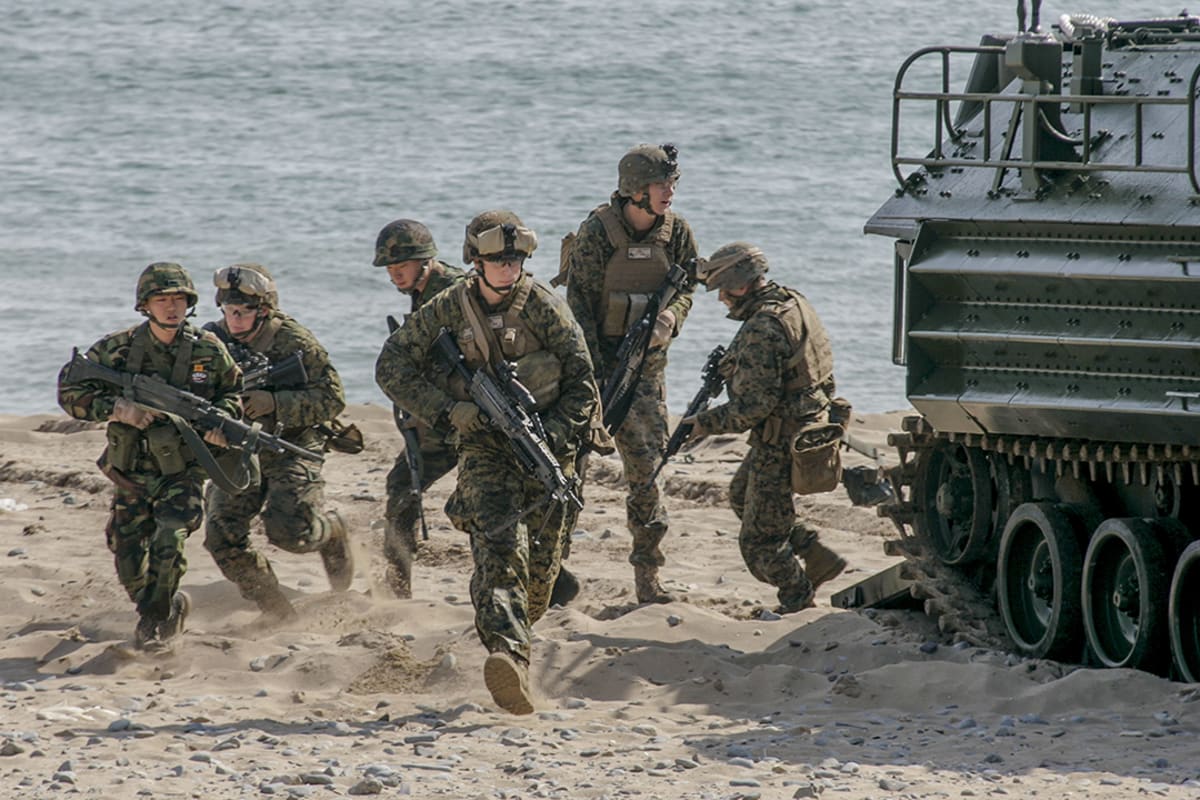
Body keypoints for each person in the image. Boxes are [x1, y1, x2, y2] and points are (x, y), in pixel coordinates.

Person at [376, 210, 598, 714]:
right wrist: (449, 411)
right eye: (497, 258)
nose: (507, 267)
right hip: (483, 448)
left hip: (549, 451)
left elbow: (584, 381)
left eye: (515, 257)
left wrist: (559, 435)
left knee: (539, 577)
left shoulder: (544, 307)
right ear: (474, 260)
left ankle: (519, 629)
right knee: (498, 552)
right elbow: (392, 365)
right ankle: (508, 658)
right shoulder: (448, 307)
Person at [57, 263, 242, 651]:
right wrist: (118, 408)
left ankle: (155, 625)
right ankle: (163, 606)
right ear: (146, 305)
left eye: (178, 299)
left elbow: (231, 395)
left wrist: (222, 424)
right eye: (162, 299)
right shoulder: (117, 349)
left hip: (183, 469)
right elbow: (70, 391)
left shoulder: (209, 349)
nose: (171, 307)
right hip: (133, 470)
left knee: (169, 538)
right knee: (126, 555)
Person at [561, 142, 699, 603]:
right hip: (592, 371)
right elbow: (577, 308)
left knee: (646, 473)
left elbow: (688, 284)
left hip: (646, 372)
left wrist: (671, 318)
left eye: (672, 184)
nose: (669, 193)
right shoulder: (597, 234)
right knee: (566, 472)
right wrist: (591, 378)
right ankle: (551, 570)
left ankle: (648, 577)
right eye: (661, 185)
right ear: (635, 190)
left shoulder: (677, 233)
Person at [685, 242, 847, 613]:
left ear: (741, 285)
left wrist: (702, 425)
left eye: (724, 290)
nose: (721, 299)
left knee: (759, 544)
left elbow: (752, 408)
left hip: (782, 440)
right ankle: (813, 550)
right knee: (742, 495)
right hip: (808, 426)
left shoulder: (762, 327)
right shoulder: (793, 302)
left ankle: (797, 597)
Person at [202, 263, 352, 620]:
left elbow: (332, 399)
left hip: (293, 445)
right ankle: (275, 607)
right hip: (240, 450)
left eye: (243, 312)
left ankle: (331, 532)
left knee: (289, 532)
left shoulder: (294, 341)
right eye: (228, 311)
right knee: (221, 536)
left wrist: (274, 403)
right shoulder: (210, 341)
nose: (234, 320)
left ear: (264, 310)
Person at [372, 219, 466, 598]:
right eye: (390, 269)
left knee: (483, 505)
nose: (395, 275)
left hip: (466, 416)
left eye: (401, 266)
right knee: (401, 487)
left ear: (426, 261)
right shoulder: (425, 291)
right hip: (440, 419)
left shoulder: (453, 293)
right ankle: (397, 588)